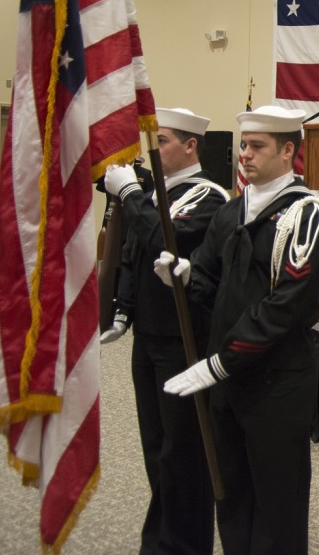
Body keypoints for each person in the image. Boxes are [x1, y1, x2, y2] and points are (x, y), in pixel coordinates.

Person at [157, 105, 319, 555]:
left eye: (258, 147)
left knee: (278, 503)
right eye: (243, 146)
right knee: (231, 495)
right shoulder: (231, 212)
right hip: (226, 382)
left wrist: (219, 362)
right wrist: (184, 276)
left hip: (276, 383)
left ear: (288, 151)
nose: (246, 156)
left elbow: (282, 309)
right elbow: (210, 285)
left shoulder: (307, 217)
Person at [100, 108, 230, 555]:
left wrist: (133, 193)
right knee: (156, 446)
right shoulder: (155, 193)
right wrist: (122, 310)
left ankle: (184, 544)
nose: (151, 152)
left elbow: (164, 238)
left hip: (185, 340)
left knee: (183, 452)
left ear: (191, 145)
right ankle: (161, 538)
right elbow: (134, 255)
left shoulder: (208, 196)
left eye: (164, 141)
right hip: (149, 337)